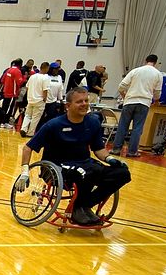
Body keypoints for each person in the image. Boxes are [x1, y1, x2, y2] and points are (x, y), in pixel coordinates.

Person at [16, 85, 131, 225]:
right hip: (56, 166)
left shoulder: (93, 122)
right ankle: (79, 209)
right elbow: (28, 148)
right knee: (85, 173)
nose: (84, 104)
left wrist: (110, 159)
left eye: (86, 101)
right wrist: (24, 173)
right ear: (68, 106)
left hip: (84, 163)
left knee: (122, 173)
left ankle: (84, 205)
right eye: (79, 102)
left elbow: (99, 149)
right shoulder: (53, 125)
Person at [114, 54, 161, 157]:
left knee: (122, 126)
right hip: (144, 103)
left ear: (145, 60)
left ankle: (116, 149)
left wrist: (124, 96)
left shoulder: (135, 70)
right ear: (156, 62)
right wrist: (156, 101)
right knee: (137, 128)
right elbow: (157, 92)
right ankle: (132, 152)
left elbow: (121, 86)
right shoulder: (158, 74)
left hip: (130, 101)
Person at [20, 61, 50, 137]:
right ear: (46, 68)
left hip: (30, 99)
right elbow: (45, 90)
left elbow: (27, 87)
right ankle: (30, 133)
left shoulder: (32, 76)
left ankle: (23, 128)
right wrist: (44, 100)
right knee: (35, 118)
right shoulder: (46, 78)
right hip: (39, 100)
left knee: (27, 115)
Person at [0, 58, 25, 130]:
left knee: (4, 107)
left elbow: (2, 80)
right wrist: (24, 78)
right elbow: (20, 82)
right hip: (12, 94)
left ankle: (2, 122)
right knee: (9, 109)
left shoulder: (8, 70)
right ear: (20, 64)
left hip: (6, 92)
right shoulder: (17, 71)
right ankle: (4, 122)